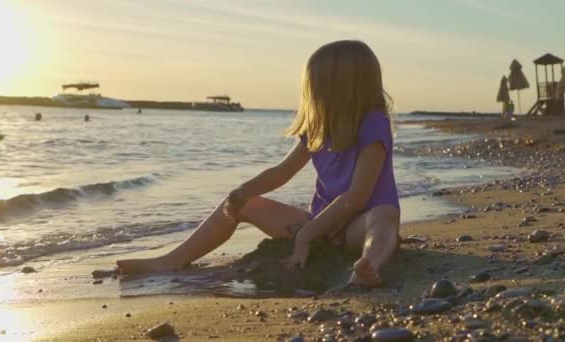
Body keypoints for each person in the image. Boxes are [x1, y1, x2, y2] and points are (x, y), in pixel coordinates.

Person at [117, 40, 400, 288]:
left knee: (384, 215)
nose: (313, 94)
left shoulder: (373, 125)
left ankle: (368, 265)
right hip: (320, 225)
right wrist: (242, 191)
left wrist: (305, 238)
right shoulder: (317, 129)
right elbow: (281, 172)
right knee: (243, 203)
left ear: (341, 88)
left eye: (317, 86)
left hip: (356, 227)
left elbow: (357, 196)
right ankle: (172, 260)